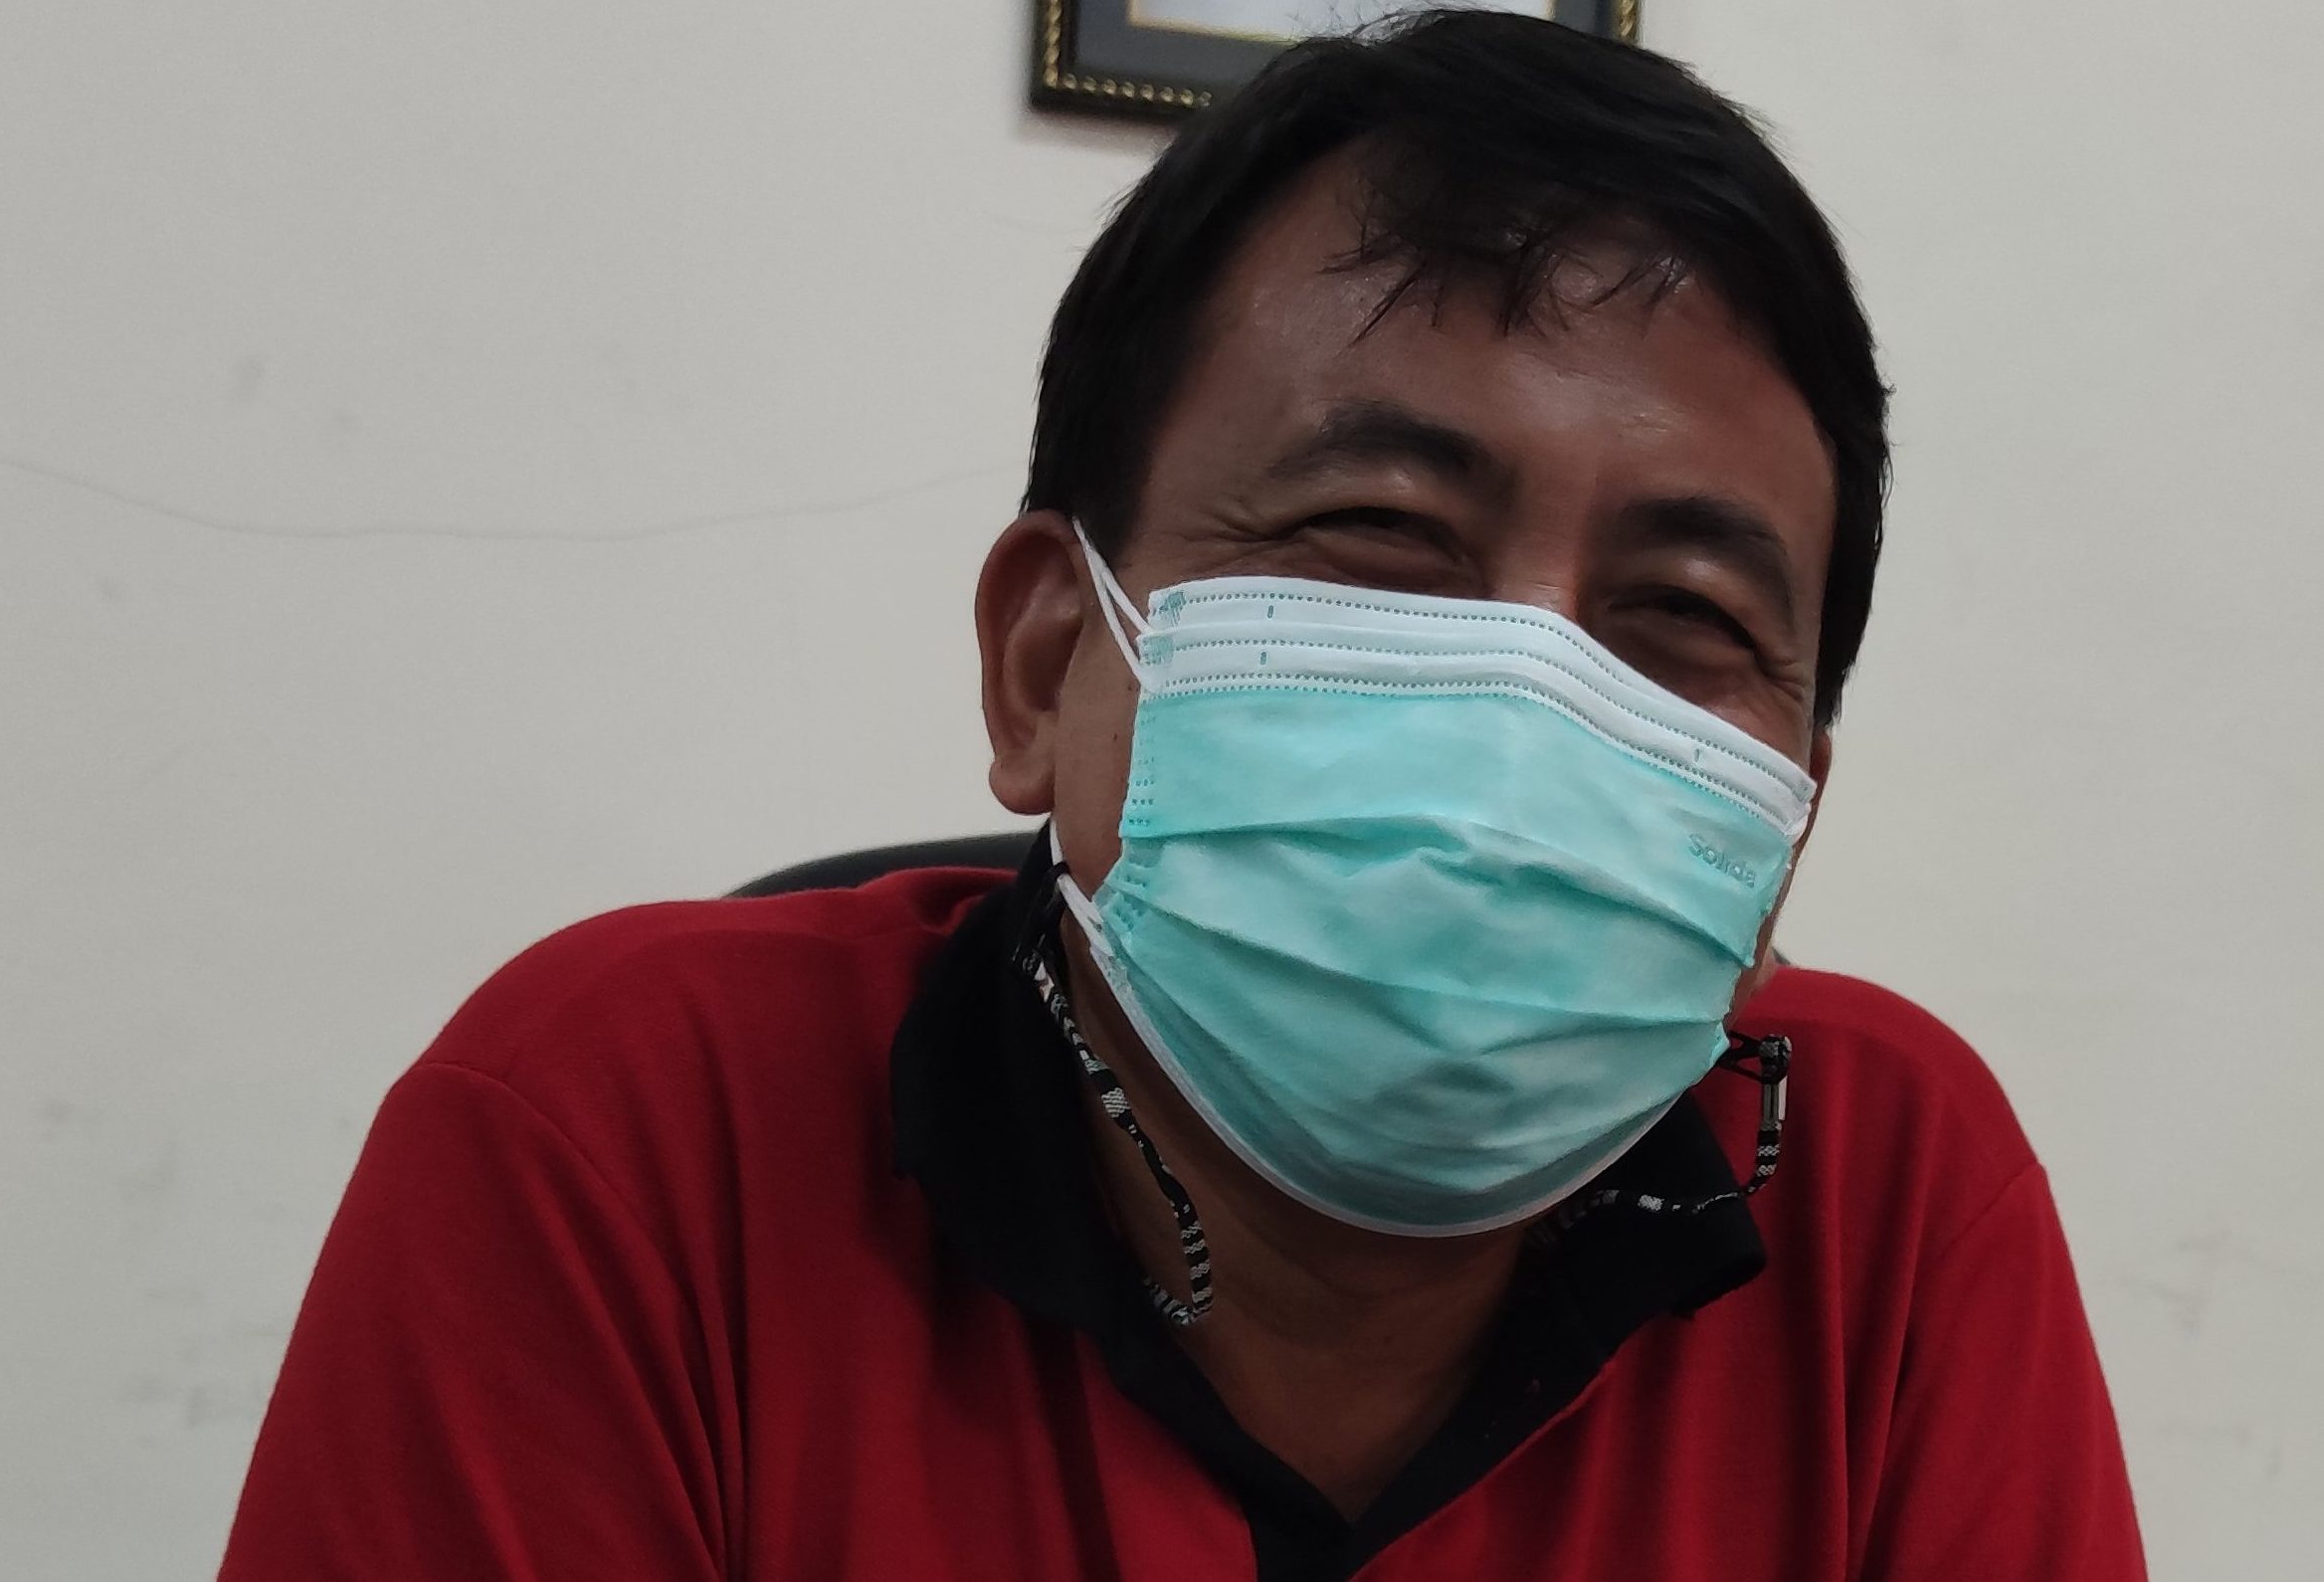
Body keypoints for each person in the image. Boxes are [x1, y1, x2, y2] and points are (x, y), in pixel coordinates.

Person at [220, 12, 2145, 1580]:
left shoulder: (1892, 1209)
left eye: (1685, 615)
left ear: (1783, 824)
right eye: (1380, 532)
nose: (1526, 704)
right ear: (1048, 661)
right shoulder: (625, 1134)